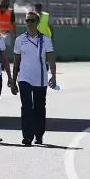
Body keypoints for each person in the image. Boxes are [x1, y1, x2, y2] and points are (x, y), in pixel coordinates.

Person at [13, 10, 56, 146]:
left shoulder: (46, 40)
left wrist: (53, 76)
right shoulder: (19, 40)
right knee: (26, 106)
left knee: (39, 107)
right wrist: (13, 81)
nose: (29, 23)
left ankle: (39, 135)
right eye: (27, 21)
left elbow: (51, 60)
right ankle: (27, 136)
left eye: (32, 21)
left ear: (38, 22)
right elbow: (16, 62)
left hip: (41, 78)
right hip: (24, 78)